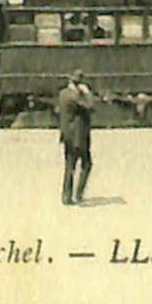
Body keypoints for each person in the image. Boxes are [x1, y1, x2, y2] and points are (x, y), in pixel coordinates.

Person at [57, 69, 97, 206]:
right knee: (87, 164)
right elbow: (91, 105)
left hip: (67, 135)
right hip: (78, 136)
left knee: (70, 165)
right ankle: (78, 194)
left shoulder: (63, 94)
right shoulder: (76, 97)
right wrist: (87, 92)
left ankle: (66, 196)